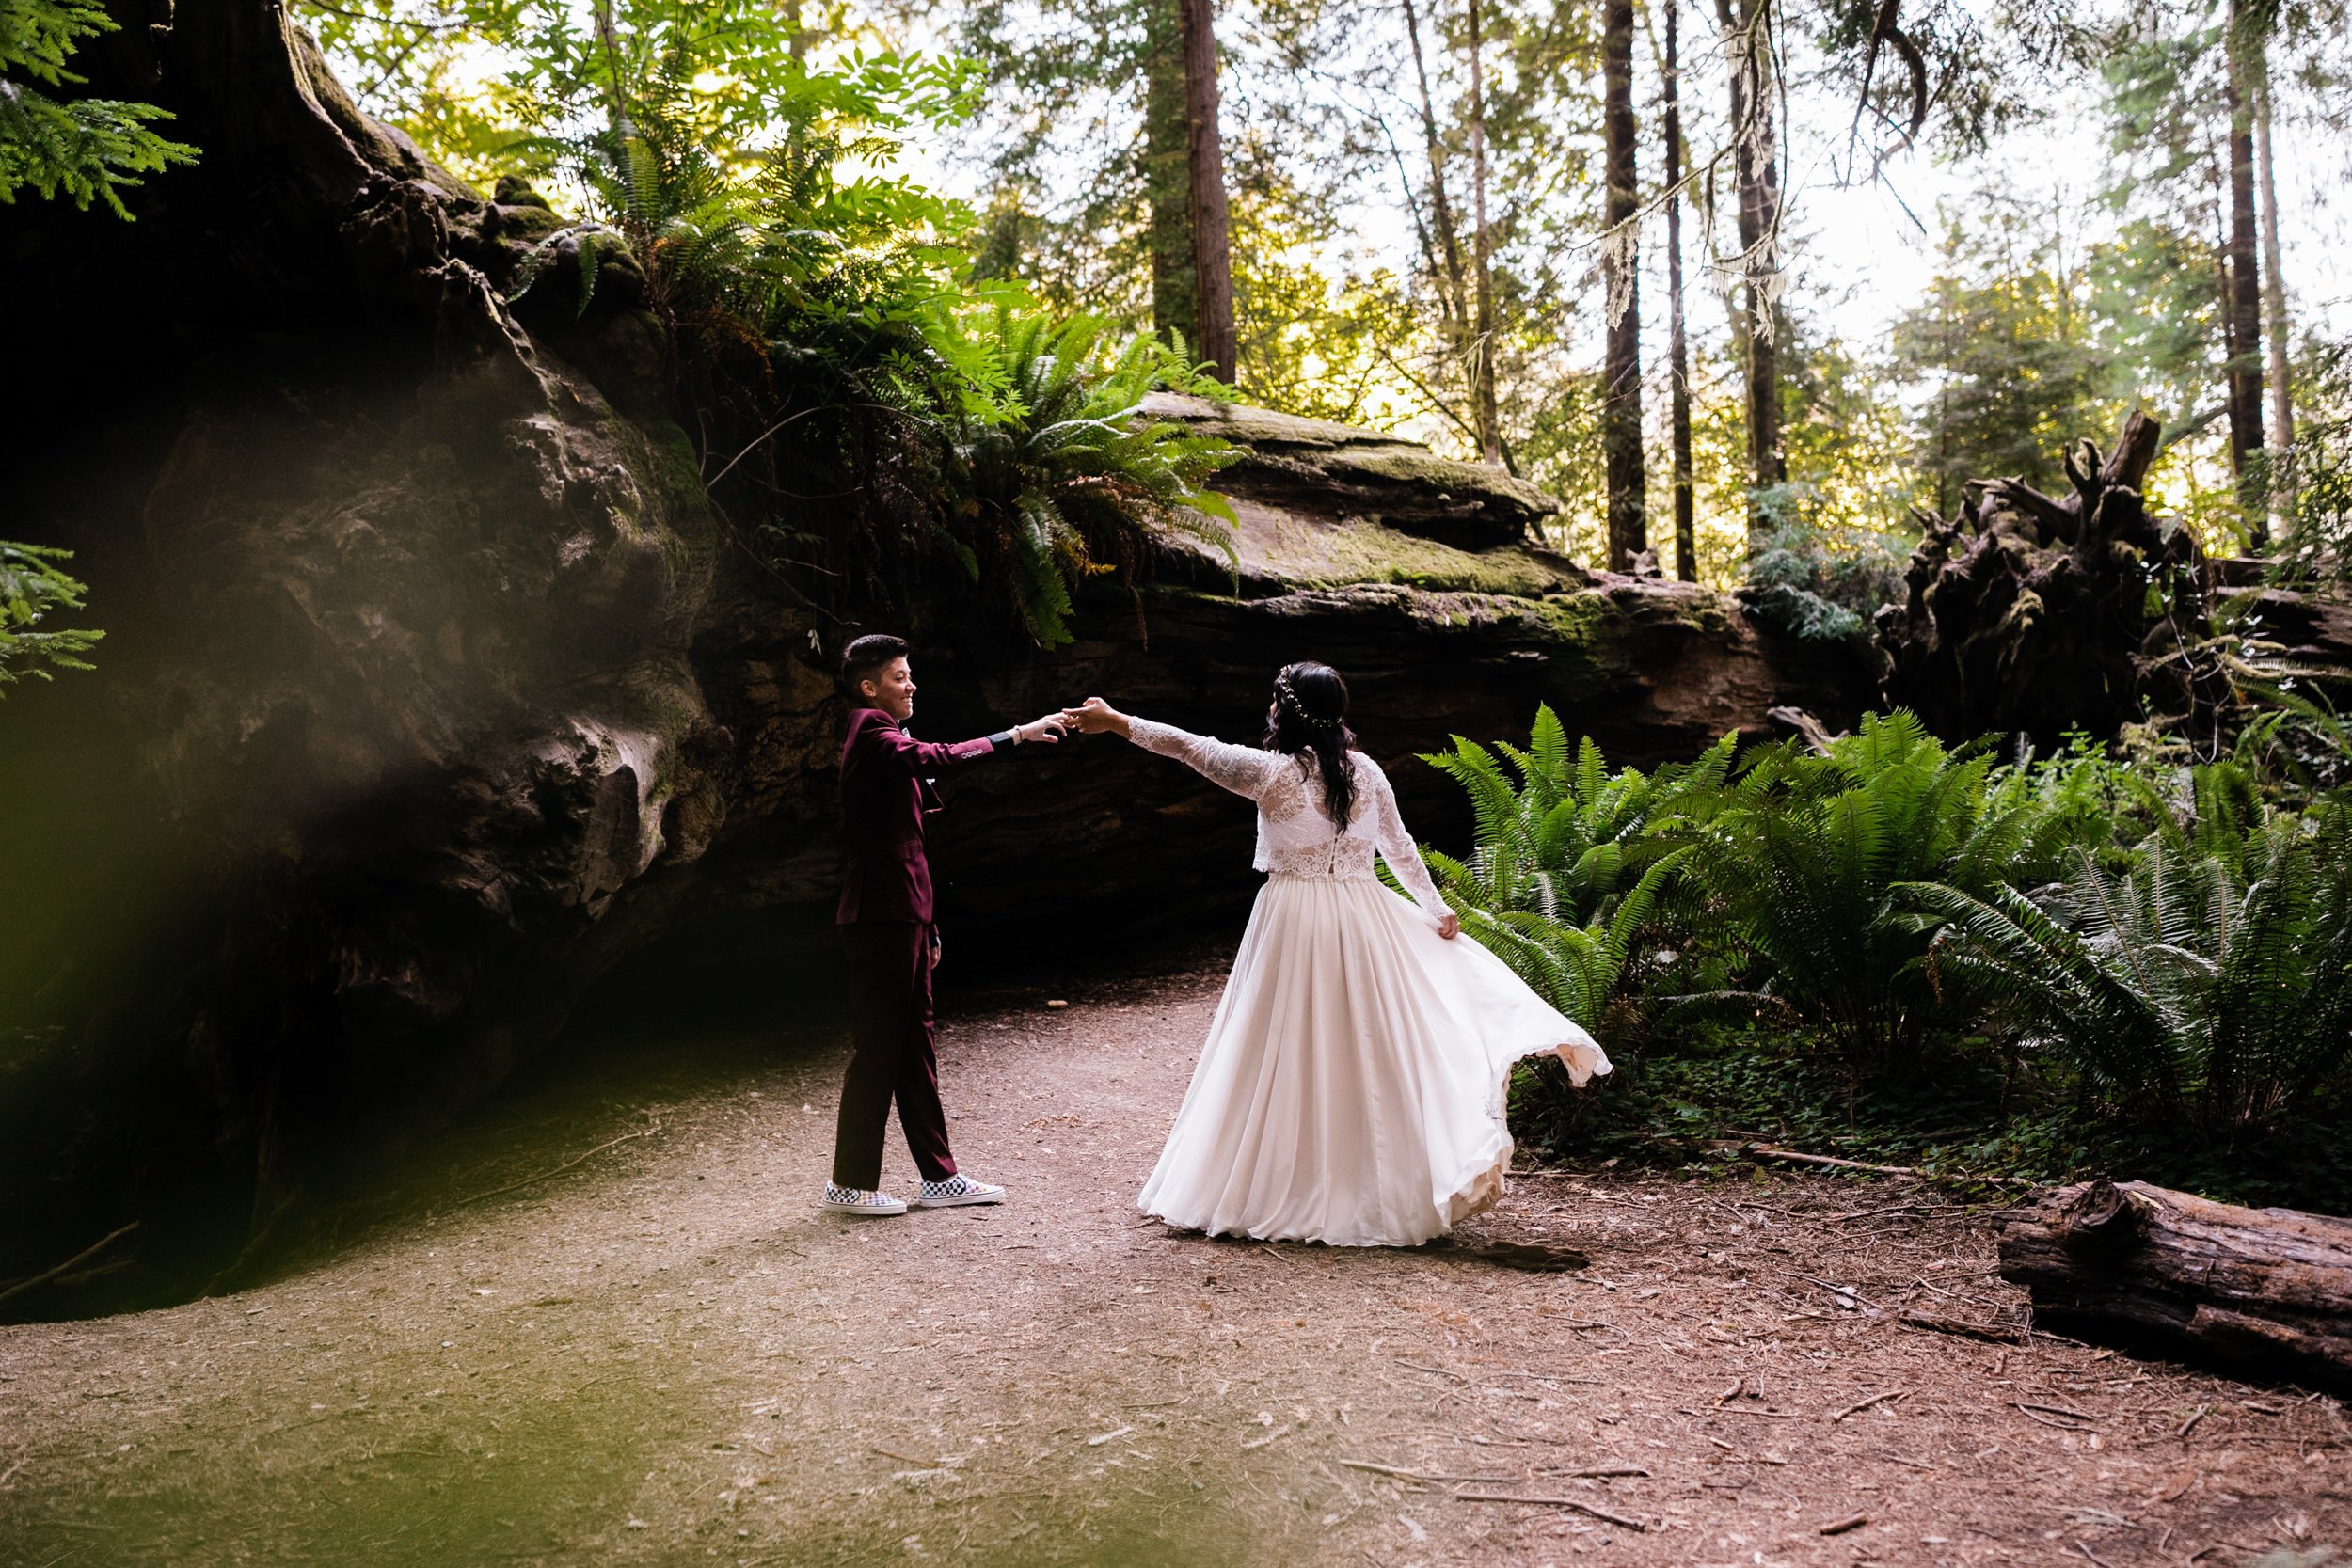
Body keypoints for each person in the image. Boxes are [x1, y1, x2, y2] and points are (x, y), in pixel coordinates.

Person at [1061, 663, 1611, 1246]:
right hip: (1361, 915)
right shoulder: (1366, 772)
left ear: (1285, 712)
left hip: (1294, 917)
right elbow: (1399, 848)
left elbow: (1188, 747)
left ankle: (1284, 1184)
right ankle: (1372, 1181)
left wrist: (1117, 722)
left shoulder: (1271, 774)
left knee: (1284, 1043)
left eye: (1274, 701)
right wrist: (1433, 905)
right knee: (1364, 1045)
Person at [825, 634, 1068, 1217]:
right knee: (879, 1048)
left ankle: (939, 1178)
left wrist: (928, 925)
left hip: (906, 910)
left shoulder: (886, 733)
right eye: (900, 676)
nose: (912, 685)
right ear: (869, 687)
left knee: (915, 1048)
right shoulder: (870, 731)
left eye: (911, 675)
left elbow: (914, 840)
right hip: (879, 912)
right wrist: (1017, 735)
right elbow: (939, 759)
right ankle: (848, 1185)